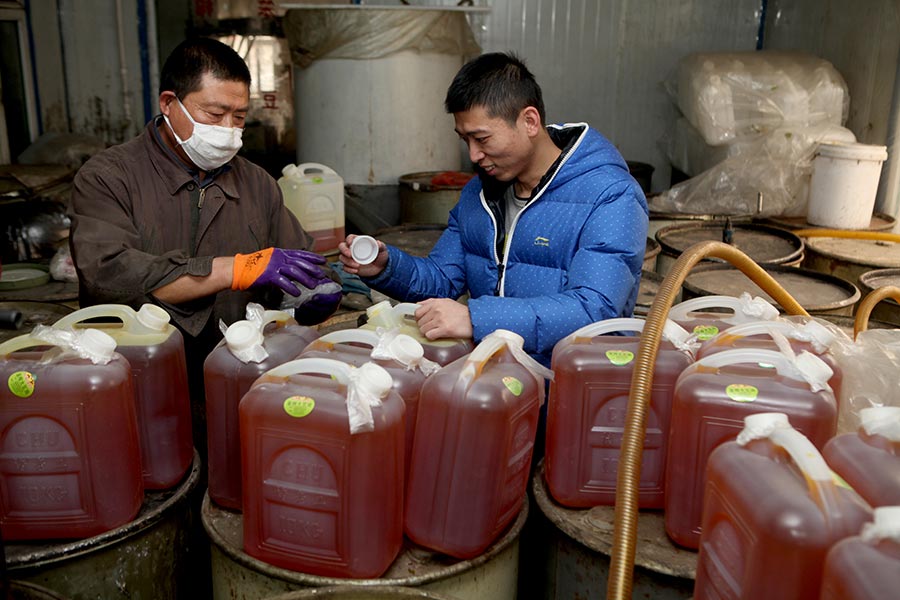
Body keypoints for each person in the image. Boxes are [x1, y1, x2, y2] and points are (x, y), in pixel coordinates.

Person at [68, 37, 342, 454]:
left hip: (233, 379)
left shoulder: (256, 183)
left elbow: (297, 260)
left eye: (239, 117)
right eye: (215, 113)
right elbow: (111, 274)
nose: (229, 131)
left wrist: (311, 294)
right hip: (137, 382)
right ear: (169, 103)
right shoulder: (109, 178)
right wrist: (236, 269)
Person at [338, 52, 648, 367]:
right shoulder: (480, 192)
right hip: (498, 380)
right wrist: (388, 267)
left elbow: (594, 308)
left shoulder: (610, 195)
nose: (473, 155)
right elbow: (444, 278)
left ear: (529, 121)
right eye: (465, 140)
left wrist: (476, 317)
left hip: (572, 385)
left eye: (482, 138)